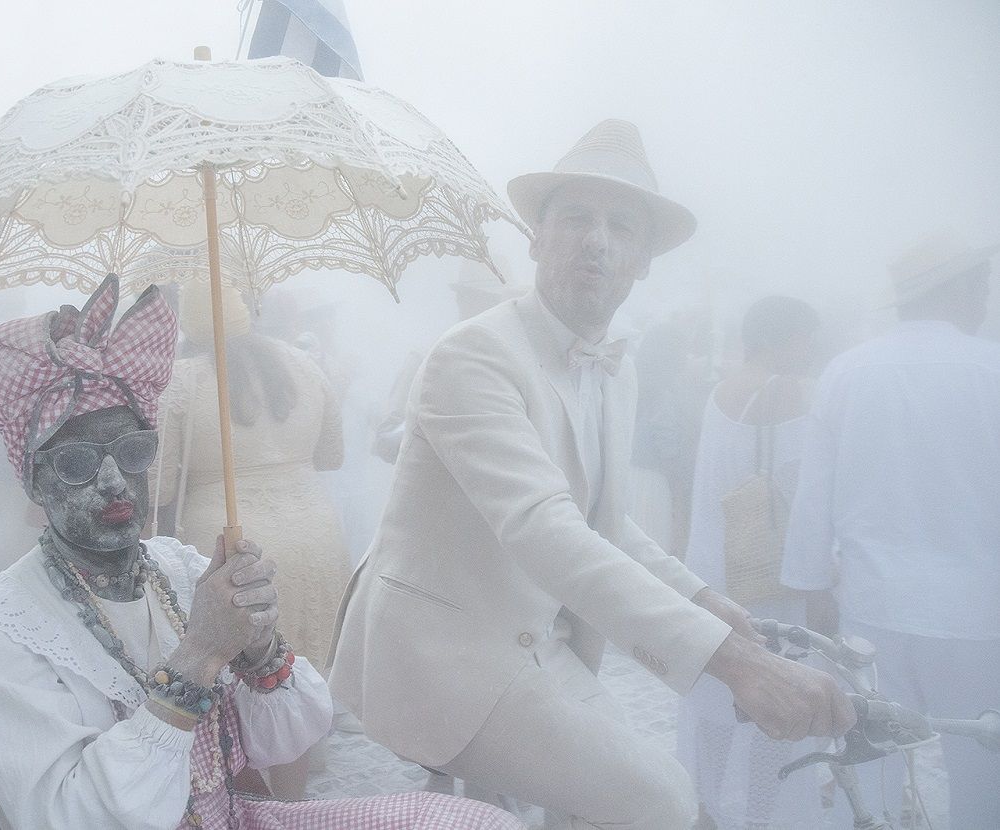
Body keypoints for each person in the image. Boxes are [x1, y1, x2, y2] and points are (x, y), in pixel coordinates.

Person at [328, 120, 856, 830]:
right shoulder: (473, 355)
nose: (598, 240)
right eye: (576, 217)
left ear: (642, 259)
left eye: (621, 225)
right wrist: (733, 661)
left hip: (534, 641)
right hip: (445, 654)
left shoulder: (617, 367)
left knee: (614, 798)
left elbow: (602, 518)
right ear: (536, 237)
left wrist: (703, 597)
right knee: (660, 801)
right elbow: (543, 526)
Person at [0, 274, 524, 830]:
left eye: (134, 450)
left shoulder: (179, 568)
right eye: (76, 462)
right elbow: (74, 816)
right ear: (33, 483)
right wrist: (197, 658)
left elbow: (289, 736)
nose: (115, 480)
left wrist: (259, 648)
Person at [781, 231, 1000, 830]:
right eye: (980, 285)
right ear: (955, 290)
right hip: (978, 620)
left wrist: (810, 588)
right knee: (983, 775)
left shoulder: (847, 373)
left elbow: (812, 495)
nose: (986, 296)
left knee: (871, 765)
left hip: (873, 613)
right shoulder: (992, 370)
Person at [153, 280, 350, 798]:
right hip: (316, 538)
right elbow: (333, 456)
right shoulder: (302, 365)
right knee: (291, 672)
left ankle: (253, 804)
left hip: (227, 545)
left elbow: (159, 484)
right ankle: (294, 800)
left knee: (244, 685)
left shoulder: (178, 382)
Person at [676, 296, 823, 830]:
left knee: (715, 702)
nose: (813, 350)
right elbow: (804, 488)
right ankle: (761, 815)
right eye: (808, 337)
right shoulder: (790, 392)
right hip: (769, 577)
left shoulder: (719, 391)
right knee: (774, 702)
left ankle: (707, 809)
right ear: (785, 338)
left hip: (715, 570)